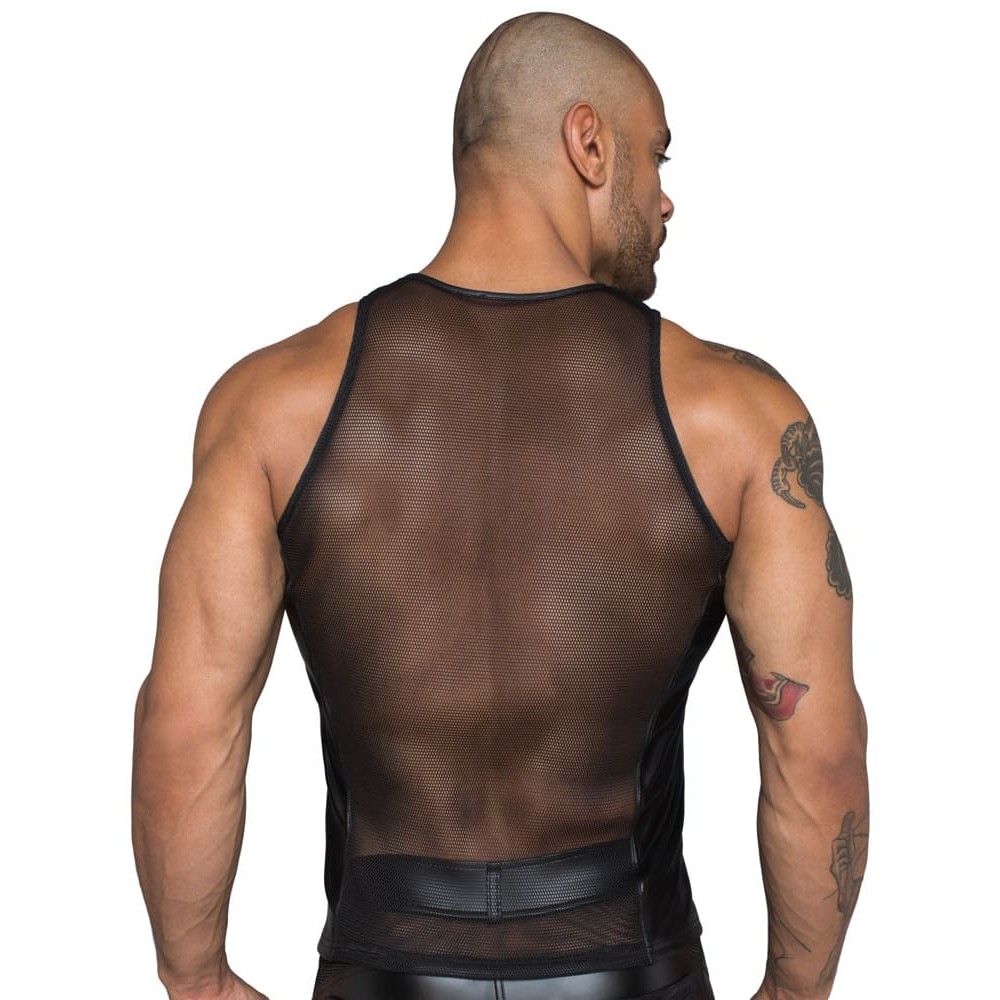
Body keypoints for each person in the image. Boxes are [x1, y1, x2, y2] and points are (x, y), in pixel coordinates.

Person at [132, 12, 868, 1000]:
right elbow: (818, 751)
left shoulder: (272, 405)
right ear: (588, 144)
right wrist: (795, 992)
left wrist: (196, 980)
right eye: (656, 155)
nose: (666, 198)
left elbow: (188, 723)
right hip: (632, 972)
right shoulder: (737, 415)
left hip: (380, 975)